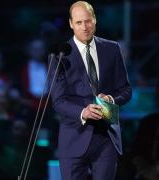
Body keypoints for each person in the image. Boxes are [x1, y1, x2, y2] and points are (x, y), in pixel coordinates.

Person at [49, 1, 132, 180]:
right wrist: (83, 112)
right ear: (71, 24)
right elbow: (58, 101)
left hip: (106, 137)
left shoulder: (112, 48)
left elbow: (126, 90)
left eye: (88, 21)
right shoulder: (60, 55)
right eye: (79, 23)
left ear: (94, 20)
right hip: (73, 137)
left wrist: (111, 98)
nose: (84, 27)